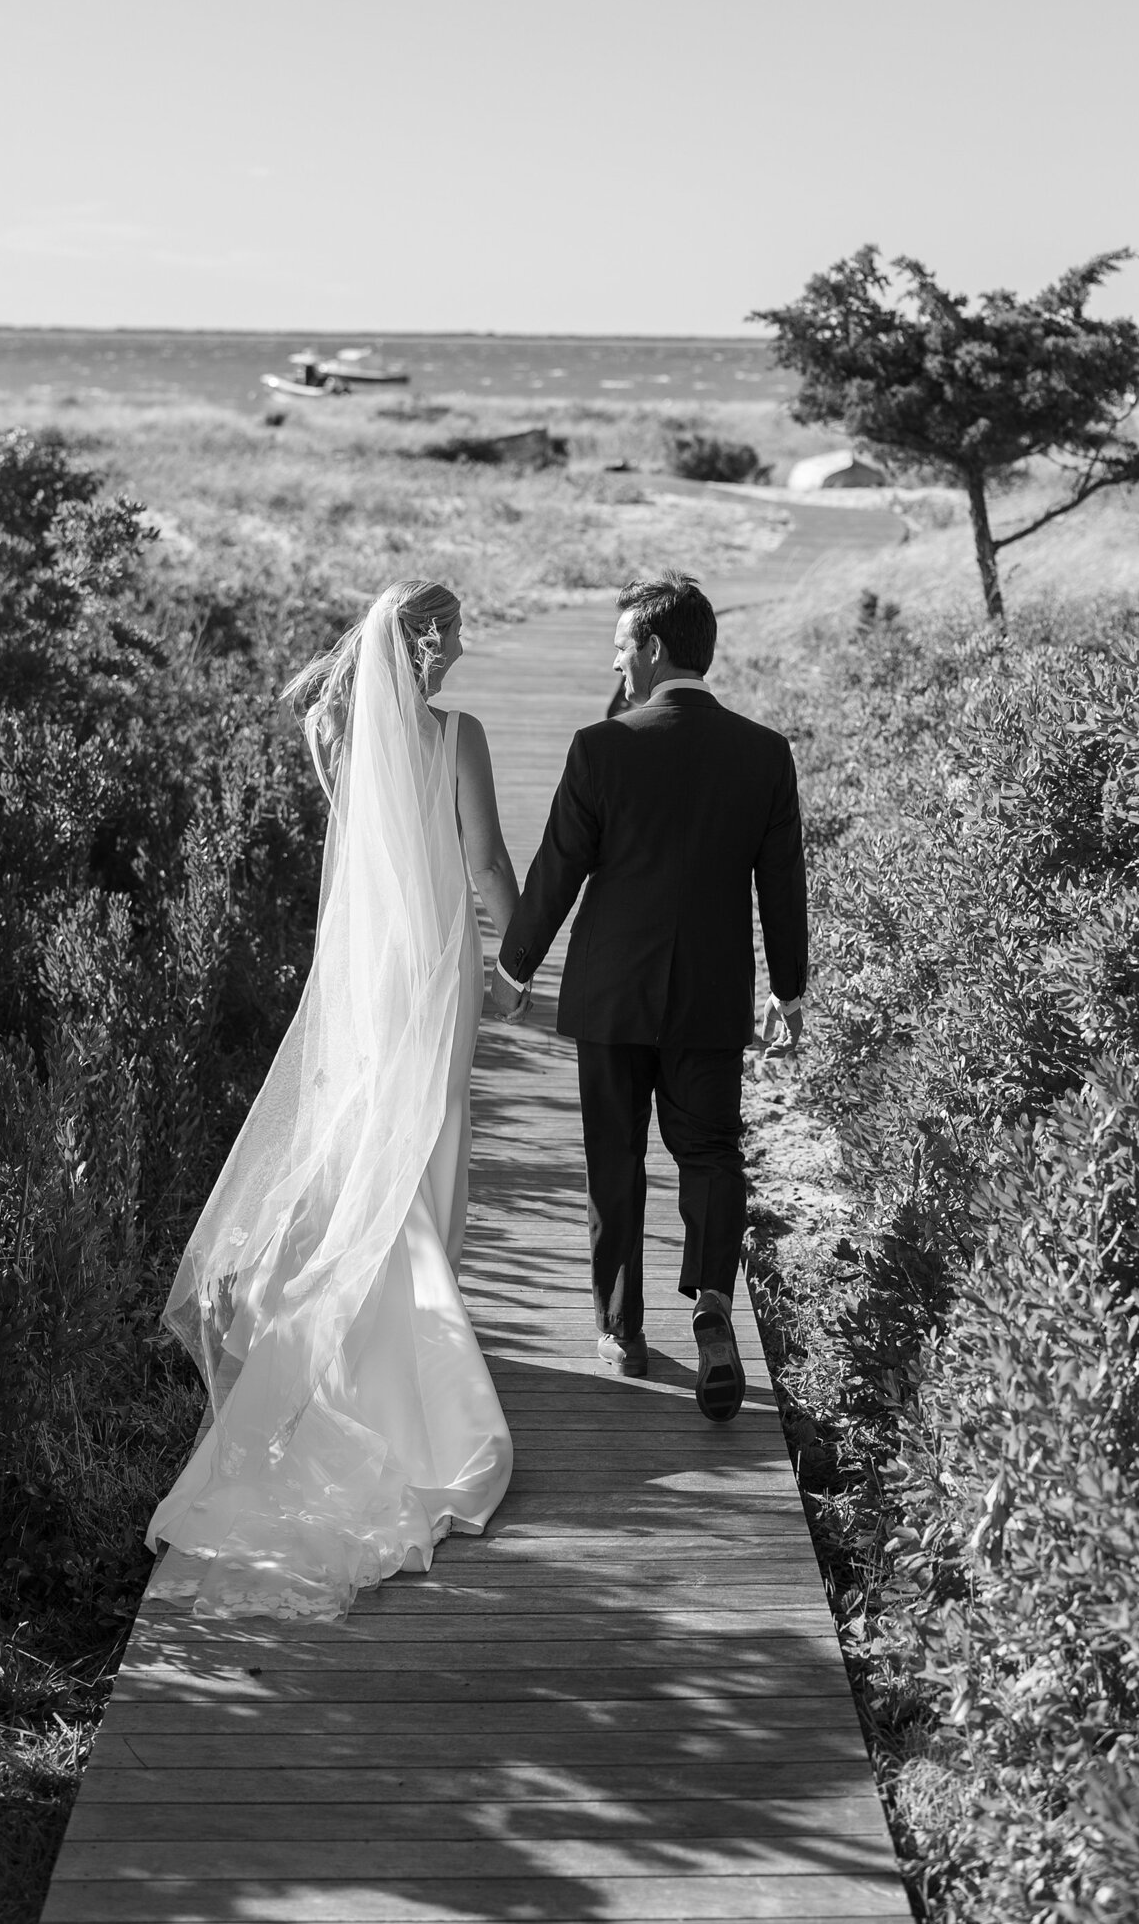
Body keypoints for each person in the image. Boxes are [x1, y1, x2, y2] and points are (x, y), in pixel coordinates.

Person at [146, 580, 518, 1619]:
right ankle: (414, 1359)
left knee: (368, 1140)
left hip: (361, 968)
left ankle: (343, 1334)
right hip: (435, 962)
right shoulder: (461, 735)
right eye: (453, 640)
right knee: (427, 1134)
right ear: (428, 643)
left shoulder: (332, 725)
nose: (460, 655)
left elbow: (362, 842)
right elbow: (483, 862)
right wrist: (518, 957)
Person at [490, 570, 808, 1421]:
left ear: (654, 648)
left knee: (615, 1158)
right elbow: (783, 882)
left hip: (611, 996)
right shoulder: (763, 751)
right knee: (709, 1152)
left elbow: (558, 866)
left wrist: (516, 967)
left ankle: (621, 1330)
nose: (617, 664)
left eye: (621, 647)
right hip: (708, 997)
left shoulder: (603, 747)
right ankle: (710, 1304)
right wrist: (789, 986)